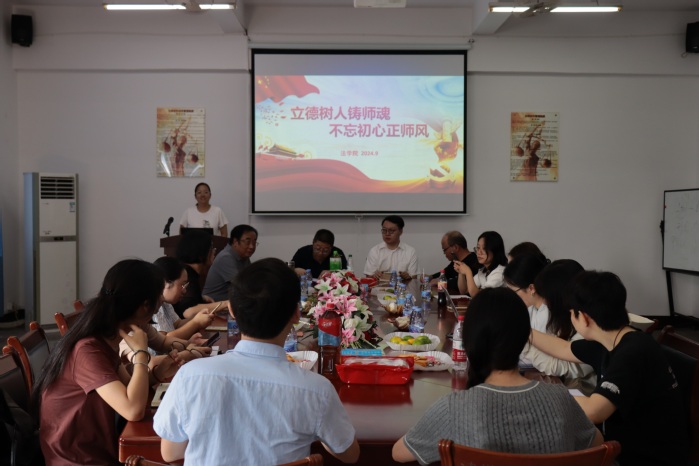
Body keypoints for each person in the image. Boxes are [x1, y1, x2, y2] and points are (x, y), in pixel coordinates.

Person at [154, 258, 361, 465]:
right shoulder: (317, 390)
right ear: (296, 314)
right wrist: (319, 423)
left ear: (232, 311)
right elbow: (350, 455)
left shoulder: (190, 376)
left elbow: (170, 453)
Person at [391, 288, 601, 465]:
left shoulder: (454, 408)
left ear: (468, 341)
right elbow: (597, 443)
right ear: (525, 339)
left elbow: (399, 453)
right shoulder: (561, 399)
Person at [530, 271, 689, 466]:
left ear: (584, 318)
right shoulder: (612, 340)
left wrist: (542, 396)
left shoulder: (632, 352)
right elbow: (563, 348)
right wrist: (523, 330)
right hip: (624, 446)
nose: (570, 317)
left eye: (571, 313)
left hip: (645, 457)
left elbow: (594, 410)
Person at [34, 259, 180, 465]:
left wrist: (156, 373)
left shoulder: (105, 337)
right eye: (158, 301)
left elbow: (128, 387)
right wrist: (140, 354)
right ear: (144, 306)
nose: (158, 309)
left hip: (95, 452)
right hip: (77, 461)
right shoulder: (88, 349)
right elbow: (133, 410)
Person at [504, 256, 595, 393]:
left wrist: (522, 335)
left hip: (580, 389)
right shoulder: (567, 317)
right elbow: (562, 351)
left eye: (547, 297)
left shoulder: (587, 326)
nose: (545, 303)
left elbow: (561, 365)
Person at [203, 224, 258, 301]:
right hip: (213, 303)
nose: (251, 246)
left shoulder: (244, 256)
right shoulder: (225, 257)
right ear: (235, 242)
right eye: (247, 242)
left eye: (254, 242)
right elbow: (241, 286)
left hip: (231, 302)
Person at [173, 229, 216, 318]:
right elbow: (188, 311)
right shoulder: (187, 274)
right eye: (211, 248)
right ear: (201, 253)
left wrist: (201, 297)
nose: (214, 251)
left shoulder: (190, 271)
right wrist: (225, 304)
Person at [453, 230, 507, 297]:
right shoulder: (483, 270)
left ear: (495, 250)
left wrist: (468, 272)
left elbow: (480, 297)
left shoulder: (499, 272)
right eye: (478, 248)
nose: (479, 252)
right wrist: (461, 272)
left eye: (484, 248)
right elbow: (464, 291)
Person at [364, 215, 418, 281]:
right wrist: (374, 276)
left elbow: (414, 278)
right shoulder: (374, 251)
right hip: (379, 286)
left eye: (391, 230)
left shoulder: (410, 251)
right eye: (384, 230)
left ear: (401, 231)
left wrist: (408, 277)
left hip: (403, 287)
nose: (387, 234)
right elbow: (368, 277)